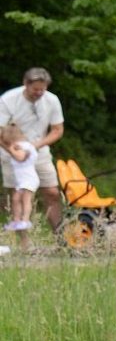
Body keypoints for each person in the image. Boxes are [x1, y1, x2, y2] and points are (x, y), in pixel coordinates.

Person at [0, 68, 64, 232]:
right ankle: (24, 243)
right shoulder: (8, 99)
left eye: (43, 89)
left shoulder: (52, 100)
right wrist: (15, 152)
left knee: (52, 192)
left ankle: (60, 236)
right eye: (35, 89)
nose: (39, 93)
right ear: (25, 84)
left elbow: (57, 130)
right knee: (18, 196)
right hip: (12, 155)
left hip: (40, 153)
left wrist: (34, 146)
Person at [2, 124, 38, 245]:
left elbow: (20, 157)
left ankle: (25, 219)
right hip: (22, 180)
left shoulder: (25, 146)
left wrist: (11, 148)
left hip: (29, 179)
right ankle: (17, 220)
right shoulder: (16, 146)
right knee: (15, 198)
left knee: (25, 199)